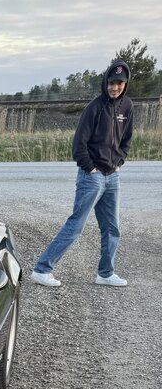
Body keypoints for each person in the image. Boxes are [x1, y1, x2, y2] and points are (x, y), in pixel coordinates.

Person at [31, 60, 133, 288]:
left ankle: (105, 273)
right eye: (111, 83)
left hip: (112, 176)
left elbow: (126, 140)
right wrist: (91, 168)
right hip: (93, 176)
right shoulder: (95, 108)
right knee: (76, 225)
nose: (115, 87)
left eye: (119, 83)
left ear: (125, 84)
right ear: (105, 82)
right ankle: (42, 269)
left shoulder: (127, 107)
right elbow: (79, 145)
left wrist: (119, 162)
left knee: (112, 227)